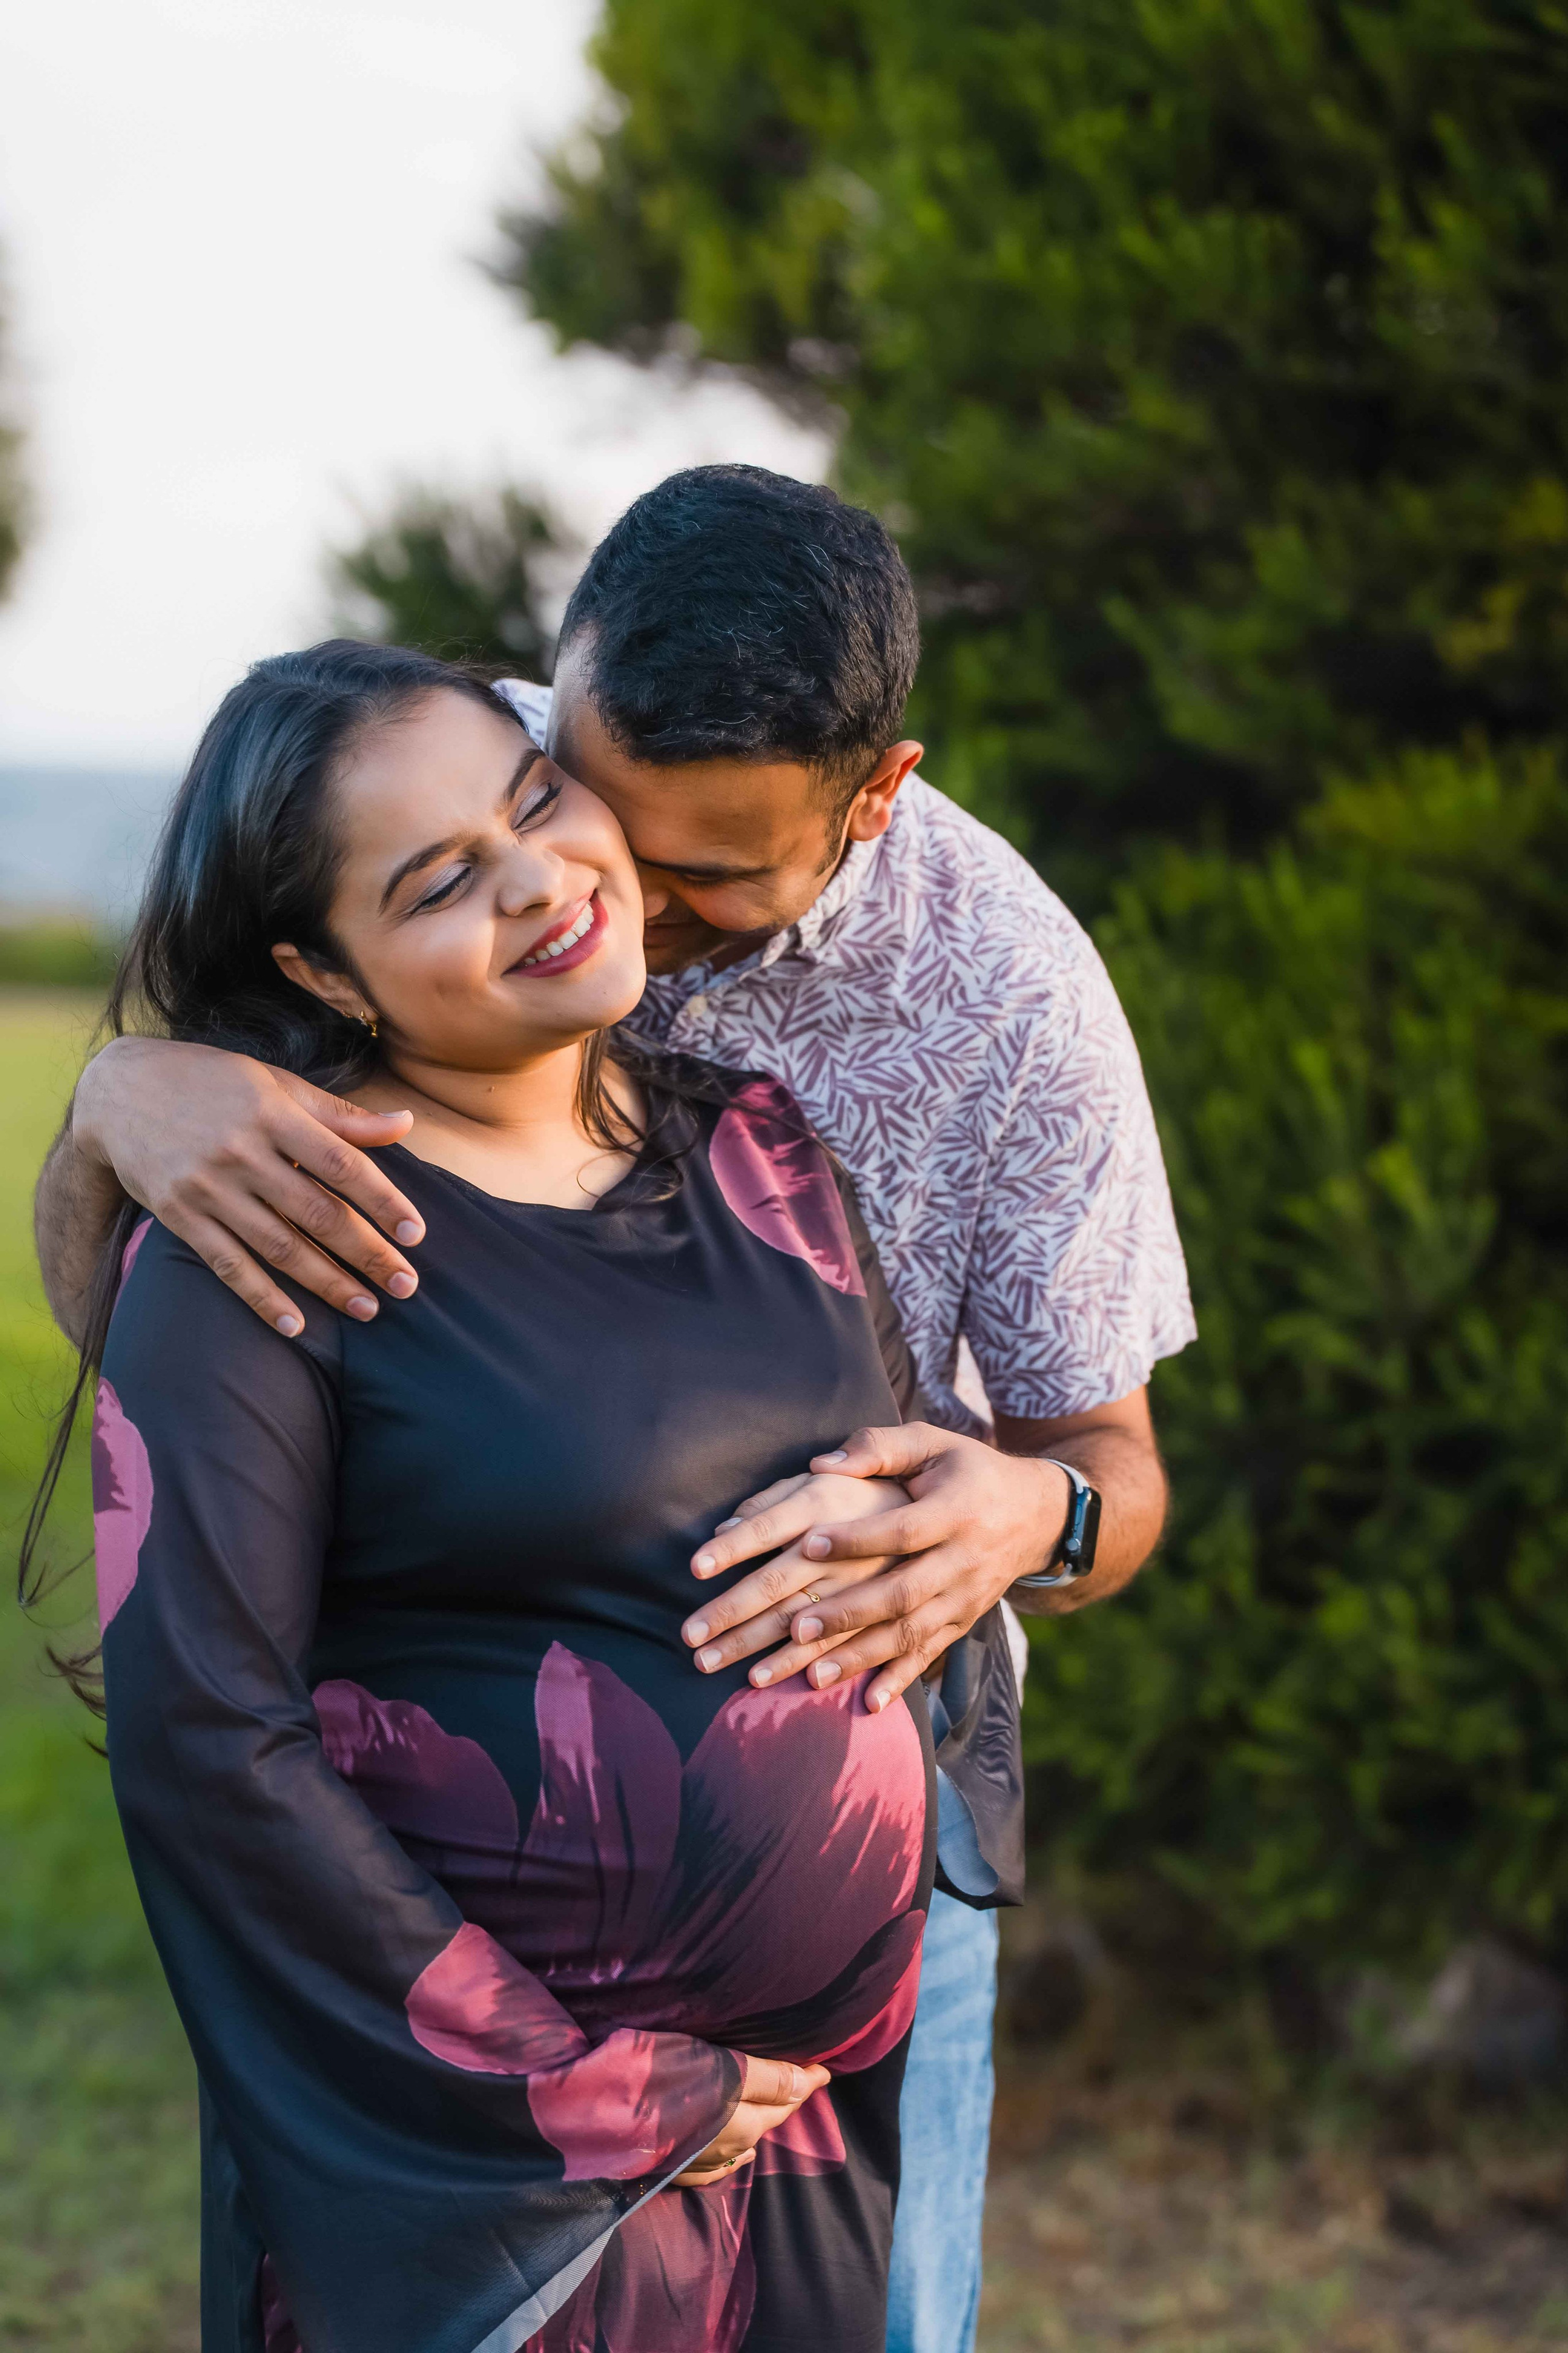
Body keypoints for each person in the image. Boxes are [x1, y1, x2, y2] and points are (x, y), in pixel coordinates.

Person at [34, 468, 1194, 2353]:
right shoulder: (473, 779)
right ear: (555, 701)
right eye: (582, 792)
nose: (612, 890)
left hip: (863, 1998)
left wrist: (1032, 1514)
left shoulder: (1007, 1009)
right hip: (480, 2048)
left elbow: (1118, 1469)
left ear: (875, 793)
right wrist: (115, 1107)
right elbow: (197, 1582)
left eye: (707, 872)